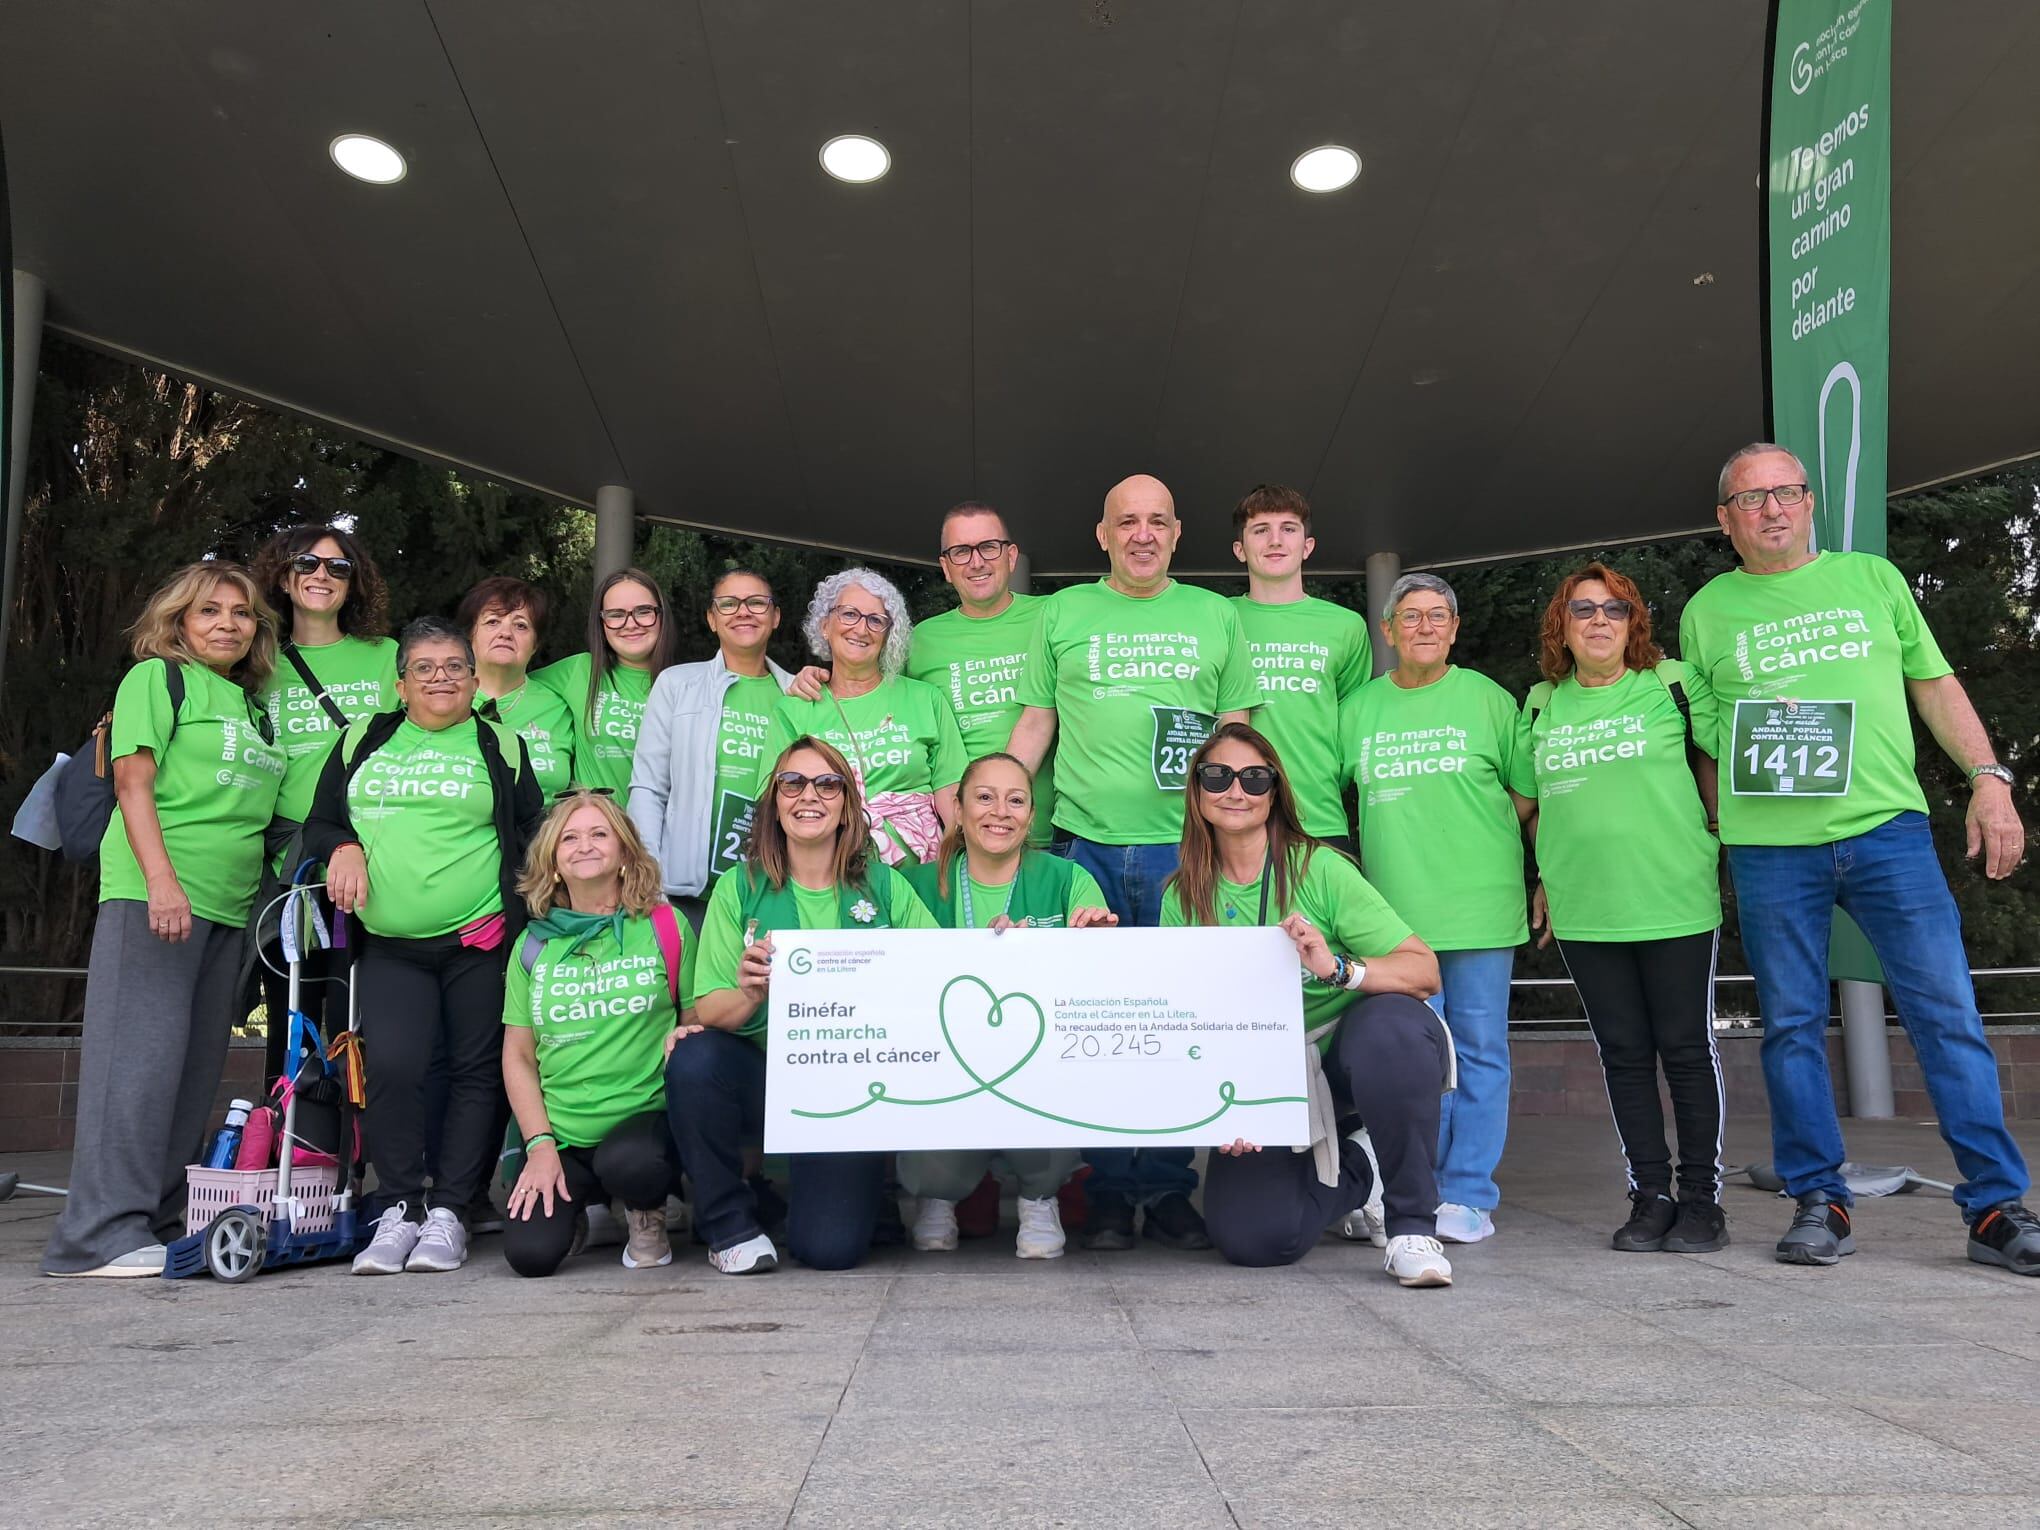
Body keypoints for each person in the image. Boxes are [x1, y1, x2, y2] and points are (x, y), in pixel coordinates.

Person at [1680, 443, 2035, 1275]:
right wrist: (1717, 815)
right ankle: (1820, 1202)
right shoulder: (1705, 611)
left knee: (1947, 1016)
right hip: (1771, 849)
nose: (1772, 508)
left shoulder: (1873, 578)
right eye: (1752, 498)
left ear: (1810, 502)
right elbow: (1702, 732)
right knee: (1792, 1027)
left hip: (1888, 833)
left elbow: (1934, 684)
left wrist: (1989, 779)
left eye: (1786, 491)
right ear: (1726, 520)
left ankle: (1994, 1208)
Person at [1008, 472, 1256, 1252]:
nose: (1142, 534)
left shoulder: (1216, 614)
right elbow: (1036, 722)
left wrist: (1237, 832)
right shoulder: (1062, 612)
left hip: (1190, 851)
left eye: (1156, 521)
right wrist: (996, 806)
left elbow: (1236, 733)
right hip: (1085, 848)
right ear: (1103, 534)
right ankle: (1111, 1192)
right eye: (1127, 522)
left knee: (1181, 1020)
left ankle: (1172, 1187)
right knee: (1098, 1025)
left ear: (1177, 534)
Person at [43, 564, 286, 1278]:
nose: (227, 624)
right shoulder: (157, 679)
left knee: (189, 1071)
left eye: (241, 613)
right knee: (136, 1067)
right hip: (156, 896)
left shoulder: (253, 707)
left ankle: (153, 1219)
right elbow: (132, 781)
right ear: (178, 621)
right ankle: (95, 1235)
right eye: (209, 610)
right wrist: (161, 882)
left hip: (227, 907)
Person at [1162, 724, 1452, 1284]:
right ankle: (1363, 1166)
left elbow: (1424, 971)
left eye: (1255, 778)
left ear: (1275, 792)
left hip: (1347, 1051)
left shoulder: (1320, 868)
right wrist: (1225, 1105)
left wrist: (1337, 968)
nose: (1236, 790)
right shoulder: (1183, 893)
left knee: (1393, 1027)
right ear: (1196, 790)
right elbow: (1190, 1015)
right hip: (1266, 1069)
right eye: (1217, 776)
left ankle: (1412, 1227)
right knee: (1254, 1239)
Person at [304, 616, 544, 1275]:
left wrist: (515, 911)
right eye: (425, 668)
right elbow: (318, 823)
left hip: (478, 943)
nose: (441, 678)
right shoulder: (362, 739)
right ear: (401, 684)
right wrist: (342, 846)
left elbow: (532, 835)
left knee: (475, 1073)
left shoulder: (502, 744)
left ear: (473, 679)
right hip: (389, 946)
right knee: (394, 1067)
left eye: (454, 667)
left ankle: (453, 1211)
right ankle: (401, 1205)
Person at [1509, 563, 1728, 1254]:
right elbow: (1527, 806)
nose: (1599, 620)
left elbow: (1731, 753)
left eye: (1615, 609)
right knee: (1624, 1055)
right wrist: (1545, 873)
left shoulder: (1673, 684)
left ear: (1634, 623)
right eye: (1583, 609)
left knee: (1686, 1050)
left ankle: (1702, 1201)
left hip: (1674, 897)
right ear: (1562, 626)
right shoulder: (1540, 703)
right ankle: (1650, 1195)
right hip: (1585, 908)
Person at [664, 737, 940, 1273]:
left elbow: (935, 972)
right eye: (792, 783)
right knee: (694, 1059)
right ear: (773, 802)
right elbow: (710, 1010)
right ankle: (729, 1228)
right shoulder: (738, 887)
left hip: (853, 1085)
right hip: (765, 1075)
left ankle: (809, 1203)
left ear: (847, 805)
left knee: (829, 1250)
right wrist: (749, 991)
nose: (808, 796)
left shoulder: (885, 885)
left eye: (827, 784)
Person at [1339, 573, 1531, 1246]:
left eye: (1437, 616)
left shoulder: (1490, 699)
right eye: (1411, 616)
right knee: (1416, 1062)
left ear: (1454, 629)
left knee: (1480, 1052)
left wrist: (1509, 859)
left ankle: (1470, 1193)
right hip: (1395, 921)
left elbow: (1527, 794)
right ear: (1387, 631)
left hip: (1481, 908)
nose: (1424, 626)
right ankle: (1415, 1190)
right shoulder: (1358, 709)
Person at [897, 753, 1118, 1258]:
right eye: (984, 797)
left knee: (1059, 1068)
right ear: (957, 809)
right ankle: (938, 1194)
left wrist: (1084, 946)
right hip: (943, 1058)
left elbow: (1092, 987)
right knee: (928, 1097)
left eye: (1016, 800)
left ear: (1032, 815)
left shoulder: (1068, 879)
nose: (1000, 811)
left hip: (1038, 1054)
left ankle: (1041, 1195)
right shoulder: (913, 885)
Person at [500, 791, 697, 1277]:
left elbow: (697, 1021)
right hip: (563, 1135)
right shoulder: (531, 945)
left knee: (632, 1163)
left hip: (643, 1125)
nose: (584, 846)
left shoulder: (665, 926)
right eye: (569, 838)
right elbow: (518, 1056)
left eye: (599, 834)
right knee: (530, 1257)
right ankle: (580, 1212)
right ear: (553, 862)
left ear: (625, 850)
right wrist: (540, 1145)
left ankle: (645, 1212)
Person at [250, 524, 398, 1082]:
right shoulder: (258, 660)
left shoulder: (385, 656)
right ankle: (285, 1124)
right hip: (290, 863)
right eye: (306, 563)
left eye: (338, 567)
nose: (321, 575)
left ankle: (354, 1133)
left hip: (372, 854)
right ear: (282, 578)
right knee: (292, 1012)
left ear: (353, 583)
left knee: (360, 1014)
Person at [762, 568, 965, 866]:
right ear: (824, 625)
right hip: (826, 872)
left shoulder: (926, 699)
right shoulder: (794, 708)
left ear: (889, 634)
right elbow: (773, 802)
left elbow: (953, 796)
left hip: (919, 874)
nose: (861, 629)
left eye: (876, 620)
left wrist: (953, 870)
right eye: (849, 614)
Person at [629, 568, 793, 929]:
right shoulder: (677, 685)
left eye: (756, 603)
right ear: (712, 618)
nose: (743, 611)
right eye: (728, 604)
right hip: (687, 896)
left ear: (775, 617)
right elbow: (648, 787)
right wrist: (649, 875)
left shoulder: (796, 694)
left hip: (773, 890)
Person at [904, 502, 1059, 848]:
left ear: (1011, 556)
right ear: (946, 567)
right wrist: (813, 680)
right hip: (959, 836)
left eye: (988, 547)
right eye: (961, 551)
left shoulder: (1053, 614)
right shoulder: (919, 640)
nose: (976, 562)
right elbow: (874, 697)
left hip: (1052, 835)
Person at [1228, 486, 1372, 849]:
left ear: (1307, 546)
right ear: (1240, 549)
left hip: (1319, 814)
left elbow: (1353, 721)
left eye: (1288, 528)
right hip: (1232, 816)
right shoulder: (1217, 618)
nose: (1275, 540)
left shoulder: (1347, 626)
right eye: (1261, 529)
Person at [532, 567, 677, 794]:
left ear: (661, 616)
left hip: (662, 817)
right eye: (616, 615)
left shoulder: (685, 685)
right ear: (601, 623)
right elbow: (509, 687)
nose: (631, 624)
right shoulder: (580, 670)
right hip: (597, 817)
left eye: (643, 611)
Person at [460, 576, 577, 802]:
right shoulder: (443, 699)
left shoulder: (559, 708)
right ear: (469, 635)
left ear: (535, 644)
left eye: (521, 625)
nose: (505, 633)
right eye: (492, 622)